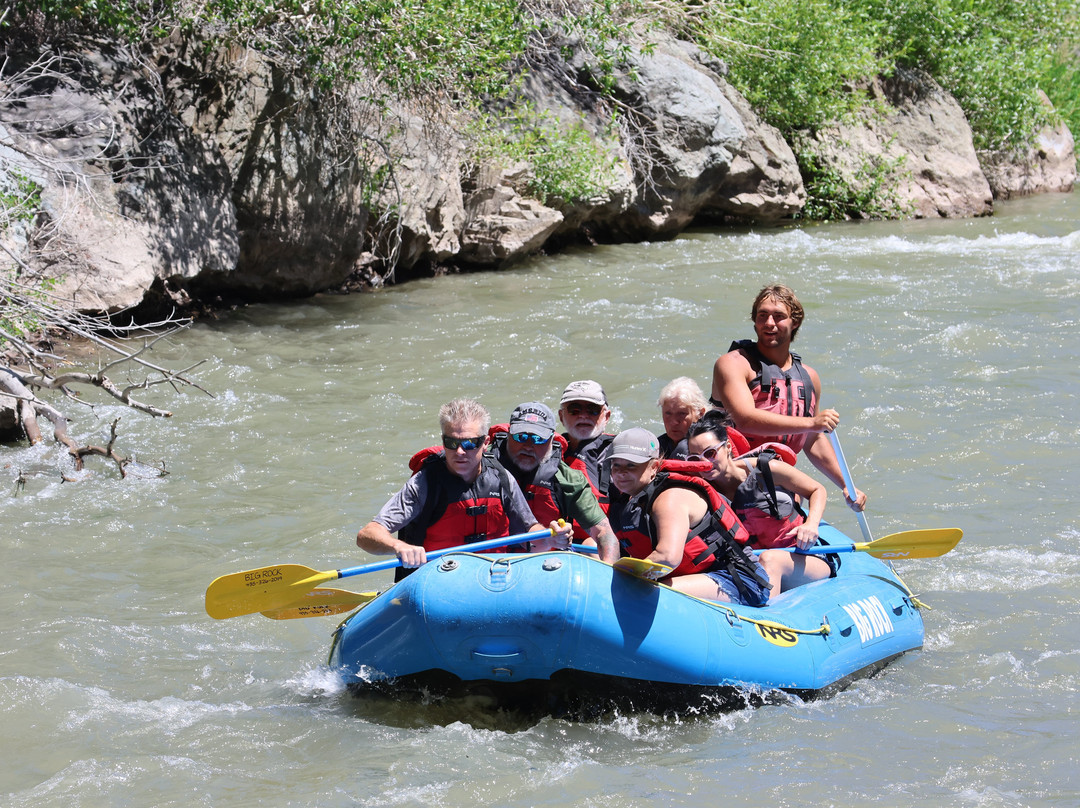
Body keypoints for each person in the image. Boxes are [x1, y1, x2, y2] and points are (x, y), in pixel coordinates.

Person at [356, 398, 572, 580]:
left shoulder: (502, 478)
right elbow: (367, 535)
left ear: (485, 443)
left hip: (491, 578)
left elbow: (529, 530)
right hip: (436, 580)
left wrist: (550, 537)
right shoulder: (425, 483)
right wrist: (398, 546)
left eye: (470, 443)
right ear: (443, 440)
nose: (460, 451)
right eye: (452, 442)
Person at [710, 283, 867, 510]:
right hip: (728, 479)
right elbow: (745, 419)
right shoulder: (733, 364)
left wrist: (847, 485)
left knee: (790, 501)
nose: (769, 323)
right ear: (754, 321)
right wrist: (813, 423)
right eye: (762, 316)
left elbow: (811, 439)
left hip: (778, 481)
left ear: (795, 322)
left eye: (778, 316)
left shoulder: (809, 378)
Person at [606, 427, 771, 606]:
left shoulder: (670, 498)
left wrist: (623, 582)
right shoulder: (629, 502)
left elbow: (667, 557)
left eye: (631, 465)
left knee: (642, 591)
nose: (621, 472)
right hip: (694, 576)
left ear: (653, 467)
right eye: (616, 465)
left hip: (739, 579)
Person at [685, 413, 832, 598]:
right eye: (695, 459)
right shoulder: (701, 492)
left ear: (728, 447)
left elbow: (817, 490)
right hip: (753, 566)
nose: (705, 463)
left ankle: (768, 619)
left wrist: (811, 524)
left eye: (710, 453)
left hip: (803, 557)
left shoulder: (766, 469)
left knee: (770, 560)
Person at [489, 401, 620, 563]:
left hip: (543, 561)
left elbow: (604, 533)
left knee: (592, 545)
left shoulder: (566, 478)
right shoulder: (479, 465)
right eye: (520, 437)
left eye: (538, 439)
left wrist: (608, 570)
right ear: (509, 434)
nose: (528, 446)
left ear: (551, 440)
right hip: (483, 558)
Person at [557, 379, 616, 506]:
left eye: (593, 410)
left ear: (606, 417)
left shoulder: (621, 454)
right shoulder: (547, 452)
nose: (583, 416)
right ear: (561, 417)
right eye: (574, 410)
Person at [655, 376, 708, 460]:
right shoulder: (659, 445)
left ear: (700, 413)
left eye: (682, 413)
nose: (673, 422)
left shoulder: (711, 447)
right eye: (668, 413)